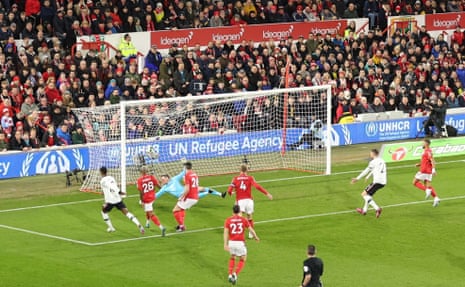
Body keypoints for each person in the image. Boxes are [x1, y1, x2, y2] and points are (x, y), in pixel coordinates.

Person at [227, 164, 273, 238]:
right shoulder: (250, 178)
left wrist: (230, 193)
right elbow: (257, 186)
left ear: (240, 170)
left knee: (238, 217)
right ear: (246, 170)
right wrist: (267, 193)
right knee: (249, 217)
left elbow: (229, 190)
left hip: (240, 201)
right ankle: (251, 233)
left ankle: (238, 233)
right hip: (249, 200)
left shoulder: (235, 179)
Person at [99, 166, 145, 234]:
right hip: (118, 199)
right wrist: (104, 192)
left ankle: (111, 228)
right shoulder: (111, 178)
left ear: (101, 172)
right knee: (126, 212)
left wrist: (119, 192)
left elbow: (112, 187)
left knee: (103, 211)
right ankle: (139, 224)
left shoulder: (102, 181)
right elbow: (111, 187)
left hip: (110, 201)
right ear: (106, 171)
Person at [223, 204, 259, 285]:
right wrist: (256, 237)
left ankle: (229, 274)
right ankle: (235, 274)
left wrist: (225, 244)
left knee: (232, 257)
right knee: (243, 258)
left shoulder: (228, 220)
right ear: (239, 211)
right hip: (240, 243)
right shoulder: (243, 219)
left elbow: (225, 233)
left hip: (231, 242)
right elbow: (251, 230)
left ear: (232, 212)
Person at [351, 149, 386, 218]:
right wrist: (368, 177)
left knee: (364, 194)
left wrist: (357, 178)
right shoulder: (382, 160)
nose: (370, 155)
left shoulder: (373, 162)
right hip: (383, 182)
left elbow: (366, 171)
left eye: (370, 153)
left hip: (377, 181)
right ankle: (364, 210)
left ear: (373, 154)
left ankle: (377, 209)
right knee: (368, 195)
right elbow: (374, 170)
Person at [136, 166, 166, 236]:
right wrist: (164, 185)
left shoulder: (139, 180)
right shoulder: (152, 177)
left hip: (146, 199)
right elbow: (159, 186)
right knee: (147, 210)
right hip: (153, 197)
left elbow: (141, 192)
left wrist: (142, 200)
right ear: (147, 171)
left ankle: (161, 227)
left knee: (150, 213)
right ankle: (148, 222)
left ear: (141, 172)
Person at [156, 170, 226, 200]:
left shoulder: (174, 179)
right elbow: (156, 195)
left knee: (203, 188)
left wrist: (185, 167)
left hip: (186, 190)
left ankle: (220, 194)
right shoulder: (164, 188)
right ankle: (207, 193)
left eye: (163, 179)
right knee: (196, 196)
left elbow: (182, 173)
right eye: (161, 180)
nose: (162, 181)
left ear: (167, 178)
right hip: (183, 196)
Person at [412, 139, 441, 207]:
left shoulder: (428, 151)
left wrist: (434, 169)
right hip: (428, 171)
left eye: (422, 143)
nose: (421, 144)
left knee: (414, 182)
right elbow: (426, 161)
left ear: (426, 144)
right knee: (428, 185)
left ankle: (427, 190)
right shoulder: (427, 151)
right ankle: (436, 198)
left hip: (424, 171)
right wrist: (419, 164)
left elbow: (432, 160)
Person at [172, 162, 198, 232]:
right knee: (181, 209)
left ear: (185, 168)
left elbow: (187, 189)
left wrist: (182, 196)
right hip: (195, 197)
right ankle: (181, 224)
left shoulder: (187, 175)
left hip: (189, 197)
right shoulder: (194, 174)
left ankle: (182, 226)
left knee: (175, 210)